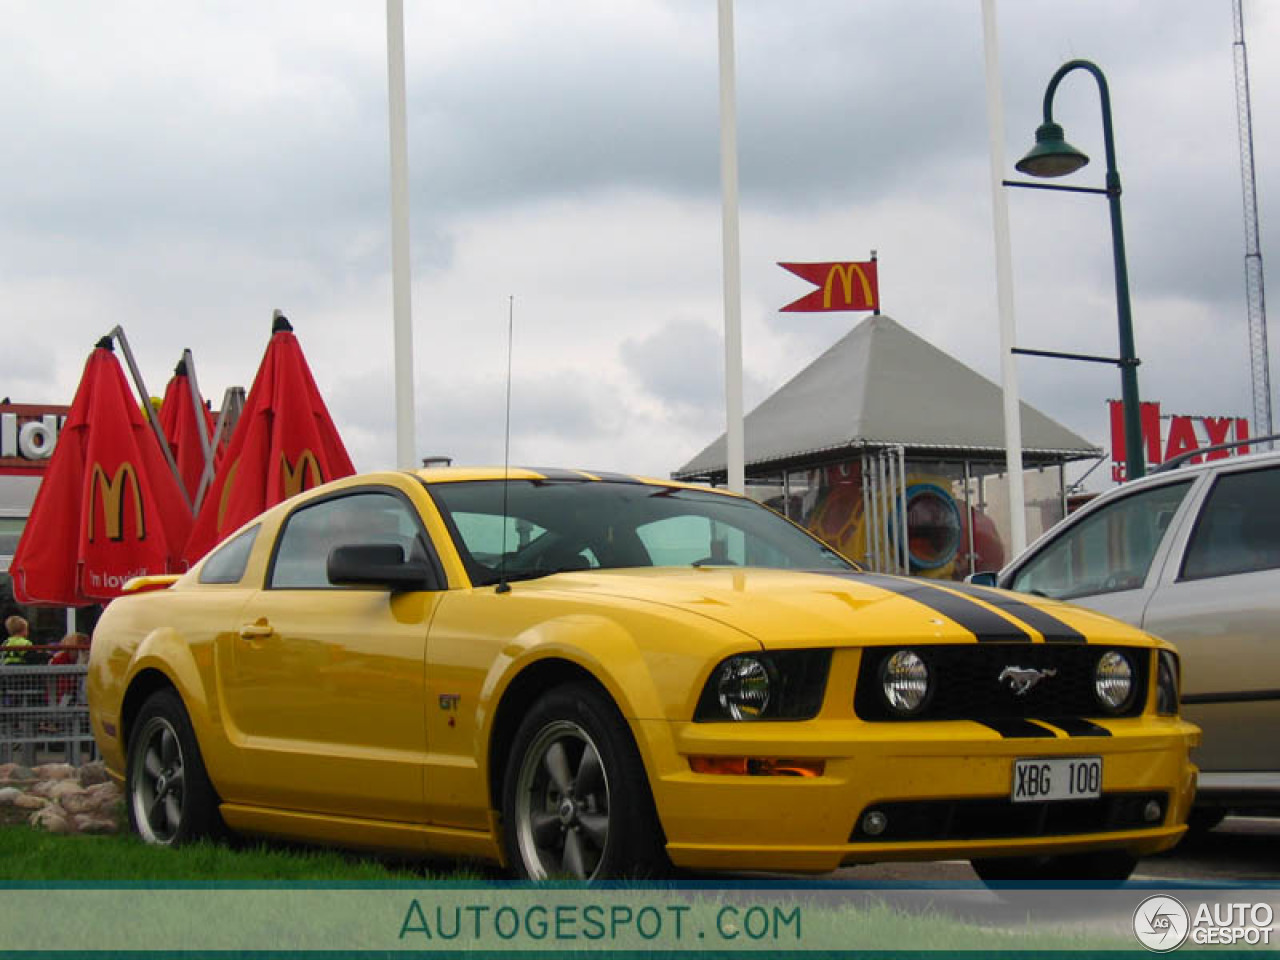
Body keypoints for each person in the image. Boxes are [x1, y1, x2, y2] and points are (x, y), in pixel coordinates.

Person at [48, 632, 89, 706]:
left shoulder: (83, 658)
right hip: (61, 695)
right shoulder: (59, 659)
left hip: (73, 693)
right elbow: (65, 684)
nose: (85, 652)